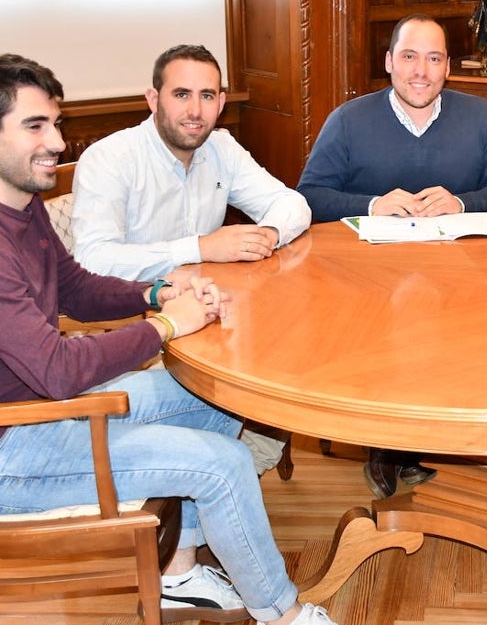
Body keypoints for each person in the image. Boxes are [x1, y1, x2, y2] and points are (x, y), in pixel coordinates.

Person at [0, 54, 380, 625]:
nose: (56, 141)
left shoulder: (12, 202)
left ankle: (177, 574)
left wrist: (159, 289)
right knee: (225, 465)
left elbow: (76, 287)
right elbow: (57, 370)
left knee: (217, 399)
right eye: (36, 126)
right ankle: (281, 623)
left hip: (35, 415)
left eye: (55, 123)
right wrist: (164, 324)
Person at [297, 14, 487, 496]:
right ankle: (385, 443)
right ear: (389, 62)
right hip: (366, 283)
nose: (421, 70)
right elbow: (310, 195)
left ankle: (447, 431)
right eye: (409, 56)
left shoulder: (480, 115)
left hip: (460, 278)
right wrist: (373, 206)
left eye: (434, 58)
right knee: (391, 338)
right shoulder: (350, 120)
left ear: (448, 68)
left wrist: (461, 201)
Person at [72, 43, 311, 476]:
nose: (194, 110)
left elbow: (293, 205)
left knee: (290, 356)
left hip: (214, 319)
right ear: (153, 99)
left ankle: (211, 478)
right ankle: (199, 478)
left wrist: (270, 233)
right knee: (256, 394)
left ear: (221, 103)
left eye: (207, 96)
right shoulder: (111, 158)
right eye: (181, 94)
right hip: (134, 322)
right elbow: (93, 260)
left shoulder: (221, 148)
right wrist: (200, 247)